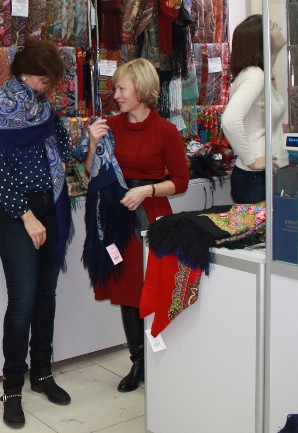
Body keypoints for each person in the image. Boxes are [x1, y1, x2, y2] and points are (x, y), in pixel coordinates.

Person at [0, 38, 73, 428]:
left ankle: (42, 373)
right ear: (26, 73)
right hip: (16, 212)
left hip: (49, 204)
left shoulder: (43, 107)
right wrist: (27, 216)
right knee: (23, 301)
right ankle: (12, 388)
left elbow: (61, 147)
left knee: (46, 295)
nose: (47, 88)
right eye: (43, 80)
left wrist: (91, 140)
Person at [84, 58, 189, 393]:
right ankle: (138, 361)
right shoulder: (110, 127)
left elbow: (181, 181)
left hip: (151, 216)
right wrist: (92, 145)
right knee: (128, 290)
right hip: (118, 218)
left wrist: (148, 190)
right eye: (115, 88)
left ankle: (162, 357)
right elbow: (91, 171)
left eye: (121, 88)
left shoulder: (166, 131)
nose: (115, 94)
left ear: (142, 90)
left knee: (153, 286)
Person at [222, 14, 289, 203]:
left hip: (264, 175)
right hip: (257, 178)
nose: (279, 28)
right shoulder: (255, 75)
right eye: (273, 26)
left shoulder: (262, 74)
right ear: (261, 39)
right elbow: (230, 121)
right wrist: (252, 161)